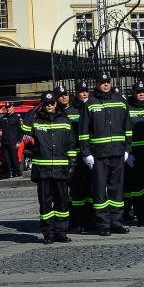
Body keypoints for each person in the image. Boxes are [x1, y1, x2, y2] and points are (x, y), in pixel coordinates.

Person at [81, 72, 131, 235]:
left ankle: (116, 222)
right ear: (96, 84)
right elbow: (83, 132)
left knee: (117, 189)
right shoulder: (90, 104)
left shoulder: (121, 101)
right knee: (100, 190)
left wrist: (127, 149)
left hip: (117, 152)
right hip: (99, 155)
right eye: (102, 82)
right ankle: (103, 224)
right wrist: (86, 153)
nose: (106, 84)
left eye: (108, 82)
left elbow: (127, 128)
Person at [22, 91, 76, 243]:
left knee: (62, 203)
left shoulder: (65, 120)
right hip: (43, 172)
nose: (49, 106)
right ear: (42, 105)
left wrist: (73, 165)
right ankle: (48, 234)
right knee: (45, 204)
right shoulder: (37, 121)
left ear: (56, 103)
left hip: (61, 170)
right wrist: (34, 110)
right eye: (46, 103)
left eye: (52, 103)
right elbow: (24, 130)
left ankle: (61, 232)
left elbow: (71, 145)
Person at [124, 81, 144, 226]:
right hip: (135, 154)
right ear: (133, 92)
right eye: (138, 91)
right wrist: (128, 151)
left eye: (143, 91)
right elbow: (124, 131)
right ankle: (139, 214)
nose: (141, 94)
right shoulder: (127, 108)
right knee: (137, 187)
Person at [65, 80, 93, 232]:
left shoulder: (92, 108)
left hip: (90, 155)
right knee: (77, 192)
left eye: (86, 91)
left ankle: (91, 219)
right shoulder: (69, 112)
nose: (84, 94)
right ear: (76, 93)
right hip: (75, 156)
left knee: (92, 190)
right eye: (81, 91)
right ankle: (79, 221)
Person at [0, 103, 23, 179]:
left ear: (13, 108)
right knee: (7, 160)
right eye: (7, 108)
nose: (8, 109)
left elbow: (20, 131)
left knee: (14, 158)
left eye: (9, 107)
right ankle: (10, 173)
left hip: (13, 142)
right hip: (5, 142)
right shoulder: (4, 117)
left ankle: (17, 172)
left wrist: (19, 141)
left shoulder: (16, 117)